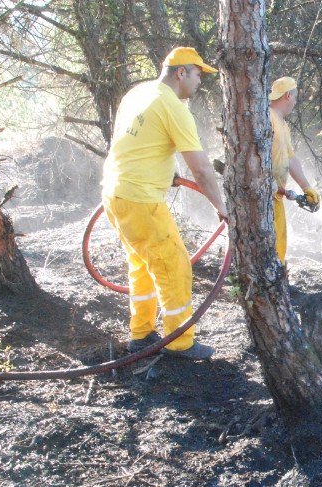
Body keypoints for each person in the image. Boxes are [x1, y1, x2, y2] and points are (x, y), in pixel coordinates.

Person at [101, 47, 227, 360]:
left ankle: (142, 333)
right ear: (181, 73)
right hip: (140, 199)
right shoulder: (174, 107)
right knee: (175, 266)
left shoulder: (138, 93)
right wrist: (223, 208)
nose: (200, 81)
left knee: (142, 266)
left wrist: (167, 172)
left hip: (115, 193)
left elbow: (138, 140)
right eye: (198, 74)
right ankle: (179, 342)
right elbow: (200, 169)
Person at [268, 76, 321, 263]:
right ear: (288, 96)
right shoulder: (268, 118)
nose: (296, 102)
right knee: (270, 246)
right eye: (296, 97)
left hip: (276, 196)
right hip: (264, 198)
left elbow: (290, 159)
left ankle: (277, 283)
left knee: (279, 245)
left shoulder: (282, 124)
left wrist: (307, 188)